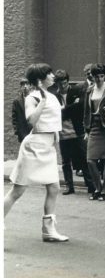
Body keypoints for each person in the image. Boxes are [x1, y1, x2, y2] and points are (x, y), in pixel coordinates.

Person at [5, 63, 69, 242]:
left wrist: (55, 140)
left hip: (48, 147)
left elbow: (53, 122)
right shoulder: (32, 97)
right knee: (18, 190)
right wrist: (42, 100)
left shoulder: (53, 96)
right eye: (49, 74)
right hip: (34, 147)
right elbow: (31, 120)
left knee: (54, 188)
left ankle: (48, 230)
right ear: (40, 80)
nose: (53, 76)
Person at [52, 69, 94, 195]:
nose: (62, 85)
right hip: (63, 133)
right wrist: (70, 108)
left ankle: (90, 185)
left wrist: (63, 109)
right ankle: (69, 186)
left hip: (77, 131)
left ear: (67, 81)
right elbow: (55, 114)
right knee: (66, 162)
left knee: (84, 159)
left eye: (64, 82)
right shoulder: (54, 96)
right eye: (60, 83)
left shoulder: (76, 90)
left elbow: (80, 108)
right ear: (56, 83)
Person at [84, 63, 105, 201]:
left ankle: (104, 191)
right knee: (90, 160)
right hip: (94, 126)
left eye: (102, 76)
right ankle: (97, 187)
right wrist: (86, 130)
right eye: (96, 76)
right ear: (92, 77)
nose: (99, 79)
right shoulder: (89, 90)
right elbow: (86, 111)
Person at [12, 78, 32, 143]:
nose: (25, 86)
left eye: (27, 84)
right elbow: (14, 117)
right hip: (22, 132)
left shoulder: (34, 98)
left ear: (30, 86)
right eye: (23, 85)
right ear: (21, 87)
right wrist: (17, 131)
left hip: (33, 131)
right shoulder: (17, 101)